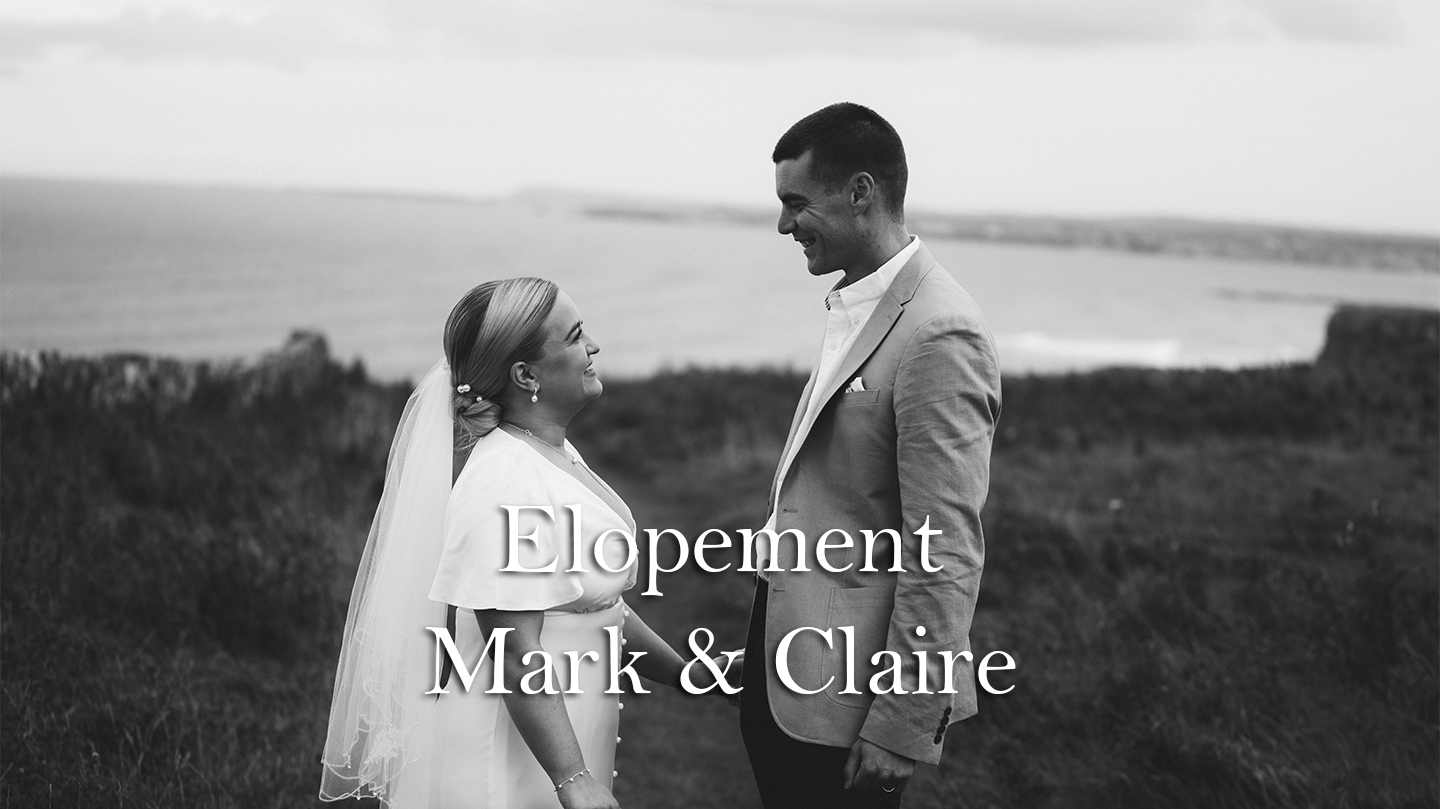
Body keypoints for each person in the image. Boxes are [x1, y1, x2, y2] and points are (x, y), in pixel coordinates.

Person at [320, 277, 696, 809]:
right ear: (525, 375)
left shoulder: (552, 453)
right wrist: (572, 780)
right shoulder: (503, 482)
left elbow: (595, 603)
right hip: (505, 759)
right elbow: (514, 652)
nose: (593, 347)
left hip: (557, 739)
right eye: (574, 336)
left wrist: (684, 674)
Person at [739, 103, 1002, 807]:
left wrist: (902, 725)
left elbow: (944, 548)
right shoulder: (858, 300)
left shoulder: (939, 333)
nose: (783, 225)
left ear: (861, 192)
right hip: (791, 670)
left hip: (849, 705)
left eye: (796, 203)